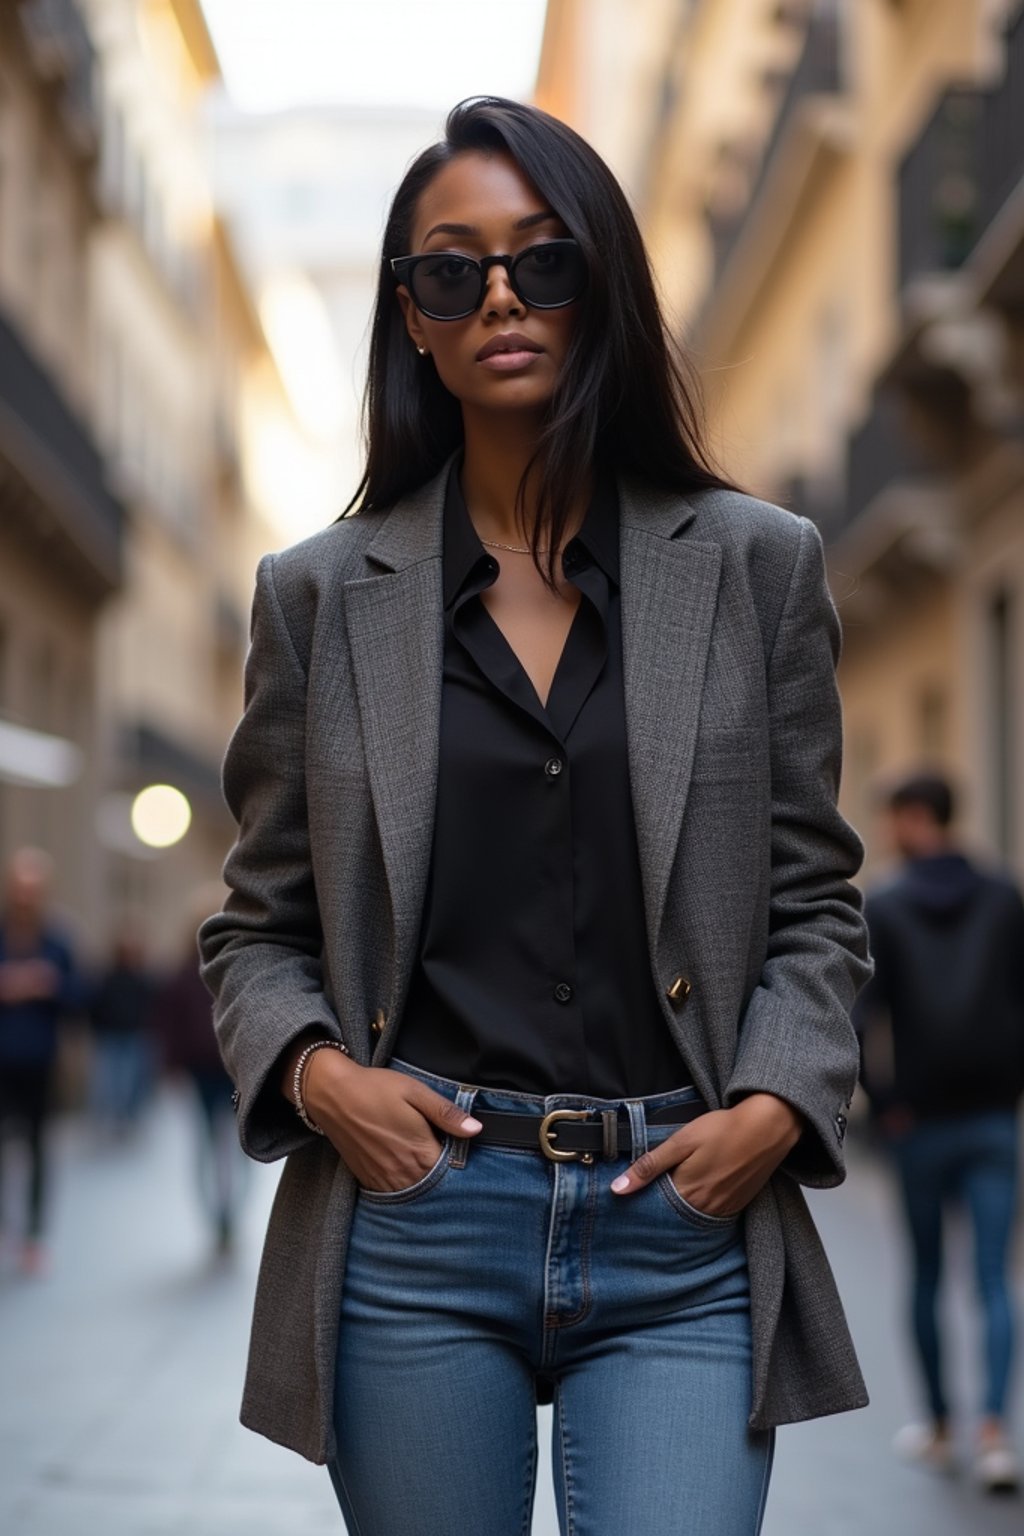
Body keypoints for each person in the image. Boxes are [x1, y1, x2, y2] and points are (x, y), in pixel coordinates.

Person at [200, 97, 871, 1536]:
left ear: (603, 285)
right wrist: (324, 1083)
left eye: (542, 261)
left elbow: (814, 895)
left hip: (683, 1223)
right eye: (455, 269)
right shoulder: (318, 598)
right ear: (415, 321)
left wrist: (775, 1102)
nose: (500, 294)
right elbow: (256, 929)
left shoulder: (758, 567)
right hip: (421, 1221)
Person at [857, 772, 1024, 1494]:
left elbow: (862, 1020)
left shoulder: (886, 906)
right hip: (994, 1116)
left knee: (926, 1275)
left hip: (918, 1120)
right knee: (992, 1278)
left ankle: (939, 1425)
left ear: (911, 817)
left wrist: (884, 1101)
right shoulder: (1004, 896)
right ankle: (994, 1434)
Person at [0, 847, 81, 1273]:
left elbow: (79, 997)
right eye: (20, 890)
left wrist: (48, 986)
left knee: (36, 1148)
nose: (25, 898)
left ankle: (33, 1234)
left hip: (39, 1061)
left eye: (32, 891)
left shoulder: (57, 940)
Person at [153, 901, 244, 1259]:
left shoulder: (238, 967)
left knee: (238, 1144)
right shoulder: (183, 974)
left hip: (235, 1070)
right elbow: (168, 1023)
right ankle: (218, 1215)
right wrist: (172, 1065)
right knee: (209, 1142)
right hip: (204, 1070)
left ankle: (228, 1211)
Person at [88, 930, 157, 1140]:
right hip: (110, 1035)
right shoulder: (106, 978)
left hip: (135, 1035)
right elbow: (96, 1005)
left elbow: (152, 1007)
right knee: (108, 1082)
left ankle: (127, 1116)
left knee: (132, 1081)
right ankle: (111, 1117)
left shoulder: (143, 979)